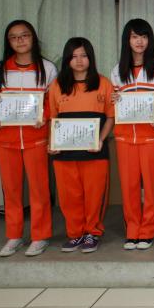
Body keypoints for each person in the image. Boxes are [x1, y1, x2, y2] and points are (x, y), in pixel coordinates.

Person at [0, 20, 57, 257]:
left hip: (36, 138)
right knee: (11, 190)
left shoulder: (47, 68)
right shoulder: (1, 69)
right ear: (9, 42)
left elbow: (53, 100)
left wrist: (44, 116)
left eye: (24, 35)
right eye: (14, 37)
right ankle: (14, 235)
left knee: (39, 189)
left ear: (33, 37)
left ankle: (40, 236)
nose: (20, 41)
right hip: (6, 140)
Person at [48, 37, 115, 254]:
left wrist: (101, 139)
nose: (79, 60)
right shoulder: (57, 85)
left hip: (94, 152)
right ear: (67, 59)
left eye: (84, 55)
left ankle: (92, 233)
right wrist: (52, 143)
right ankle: (75, 233)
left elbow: (111, 117)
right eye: (74, 56)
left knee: (94, 195)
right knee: (69, 196)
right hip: (64, 154)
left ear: (91, 58)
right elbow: (52, 119)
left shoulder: (103, 83)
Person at [110, 19, 154, 251]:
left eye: (144, 36)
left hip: (152, 136)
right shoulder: (117, 71)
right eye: (134, 36)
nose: (139, 41)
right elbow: (114, 105)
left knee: (152, 186)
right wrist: (113, 100)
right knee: (129, 186)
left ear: (150, 39)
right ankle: (132, 230)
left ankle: (147, 230)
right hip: (125, 137)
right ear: (127, 40)